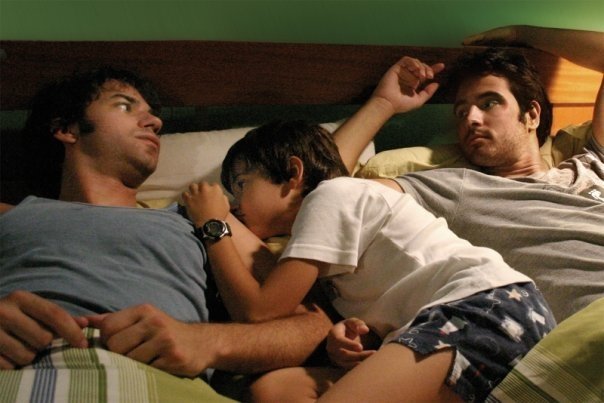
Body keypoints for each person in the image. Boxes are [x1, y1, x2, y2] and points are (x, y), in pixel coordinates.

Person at [181, 119, 555, 401]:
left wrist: (213, 222)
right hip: (471, 320)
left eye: (242, 184)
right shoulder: (326, 241)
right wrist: (347, 339)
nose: (235, 203)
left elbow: (260, 312)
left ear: (293, 173)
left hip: (487, 308)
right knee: (275, 389)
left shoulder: (331, 196)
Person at [0, 67, 333, 379]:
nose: (155, 122)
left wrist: (206, 342)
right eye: (124, 106)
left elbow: (314, 326)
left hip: (158, 383)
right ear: (67, 129)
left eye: (153, 115)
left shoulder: (201, 217)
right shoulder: (14, 216)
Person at [331, 25, 604, 323]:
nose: (471, 119)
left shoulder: (591, 162)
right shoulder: (458, 190)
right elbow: (330, 192)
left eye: (489, 103)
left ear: (532, 115)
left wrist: (520, 34)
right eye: (462, 112)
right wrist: (383, 104)